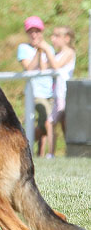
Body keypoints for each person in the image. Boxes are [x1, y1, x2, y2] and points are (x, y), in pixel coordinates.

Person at [17, 16, 54, 157]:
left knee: (45, 124)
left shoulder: (48, 48)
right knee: (47, 121)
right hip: (35, 92)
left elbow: (48, 67)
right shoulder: (23, 48)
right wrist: (39, 52)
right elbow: (29, 68)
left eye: (37, 31)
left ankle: (37, 151)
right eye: (31, 31)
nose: (34, 35)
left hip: (49, 91)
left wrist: (46, 51)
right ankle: (25, 145)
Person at [42, 27, 76, 155]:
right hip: (57, 94)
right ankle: (70, 152)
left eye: (56, 36)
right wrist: (41, 51)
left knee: (50, 122)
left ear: (66, 38)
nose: (53, 39)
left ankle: (51, 153)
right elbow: (44, 66)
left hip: (64, 94)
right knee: (64, 125)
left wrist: (46, 49)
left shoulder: (69, 52)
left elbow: (56, 65)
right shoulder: (57, 54)